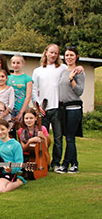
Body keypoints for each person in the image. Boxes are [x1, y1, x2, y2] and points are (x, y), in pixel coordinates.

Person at [32, 44, 82, 171]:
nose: (53, 55)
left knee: (58, 138)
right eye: (51, 52)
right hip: (43, 110)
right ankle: (43, 161)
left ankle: (56, 163)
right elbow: (34, 89)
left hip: (58, 109)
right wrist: (38, 106)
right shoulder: (37, 71)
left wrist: (80, 67)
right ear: (46, 53)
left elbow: (74, 68)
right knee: (42, 138)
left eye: (56, 53)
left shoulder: (62, 68)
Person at [56, 46, 84, 174]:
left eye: (71, 55)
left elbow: (79, 91)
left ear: (76, 56)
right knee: (68, 137)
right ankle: (75, 164)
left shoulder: (79, 72)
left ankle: (65, 164)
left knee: (70, 138)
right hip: (63, 109)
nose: (69, 57)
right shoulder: (63, 71)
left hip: (74, 108)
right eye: (67, 55)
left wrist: (72, 79)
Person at [7, 55, 33, 123]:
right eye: (13, 63)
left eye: (18, 63)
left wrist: (21, 112)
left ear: (22, 64)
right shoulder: (8, 78)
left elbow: (28, 96)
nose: (15, 65)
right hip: (10, 109)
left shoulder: (27, 78)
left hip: (22, 108)